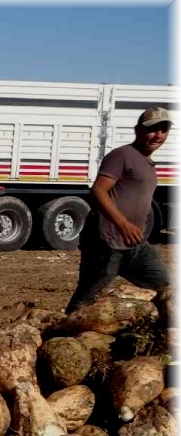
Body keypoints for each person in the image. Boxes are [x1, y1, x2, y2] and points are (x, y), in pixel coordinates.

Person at [65, 106, 172, 313]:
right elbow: (98, 191)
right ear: (138, 130)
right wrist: (123, 225)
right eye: (153, 129)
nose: (158, 135)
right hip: (107, 242)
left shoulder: (147, 163)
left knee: (165, 288)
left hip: (135, 244)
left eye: (163, 129)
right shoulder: (122, 155)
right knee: (85, 301)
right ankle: (60, 336)